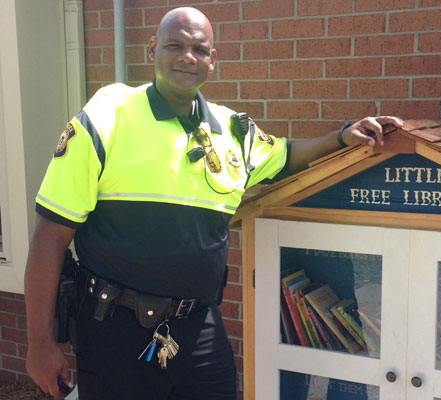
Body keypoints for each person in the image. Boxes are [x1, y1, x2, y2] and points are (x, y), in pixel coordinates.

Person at [24, 7, 404, 400]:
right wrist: (39, 344)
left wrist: (342, 136)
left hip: (198, 328)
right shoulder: (105, 118)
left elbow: (286, 155)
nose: (187, 57)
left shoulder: (233, 131)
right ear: (152, 48)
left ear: (213, 60)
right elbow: (49, 238)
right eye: (175, 45)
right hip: (113, 333)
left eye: (199, 49)